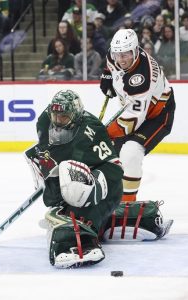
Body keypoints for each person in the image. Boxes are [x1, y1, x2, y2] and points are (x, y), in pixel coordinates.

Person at [25, 89, 123, 268]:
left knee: (80, 209)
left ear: (76, 115)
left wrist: (92, 187)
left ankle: (86, 237)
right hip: (67, 175)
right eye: (55, 115)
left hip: (103, 186)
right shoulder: (44, 120)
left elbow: (115, 169)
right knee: (52, 200)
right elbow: (45, 149)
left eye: (63, 116)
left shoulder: (92, 129)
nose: (57, 121)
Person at [99, 29, 175, 231]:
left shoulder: (142, 76)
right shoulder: (114, 55)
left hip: (157, 114)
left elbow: (129, 123)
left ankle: (126, 208)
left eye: (125, 55)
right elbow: (110, 63)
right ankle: (106, 200)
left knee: (131, 152)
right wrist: (107, 74)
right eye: (118, 54)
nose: (121, 59)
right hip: (134, 107)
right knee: (111, 155)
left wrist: (103, 133)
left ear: (135, 51)